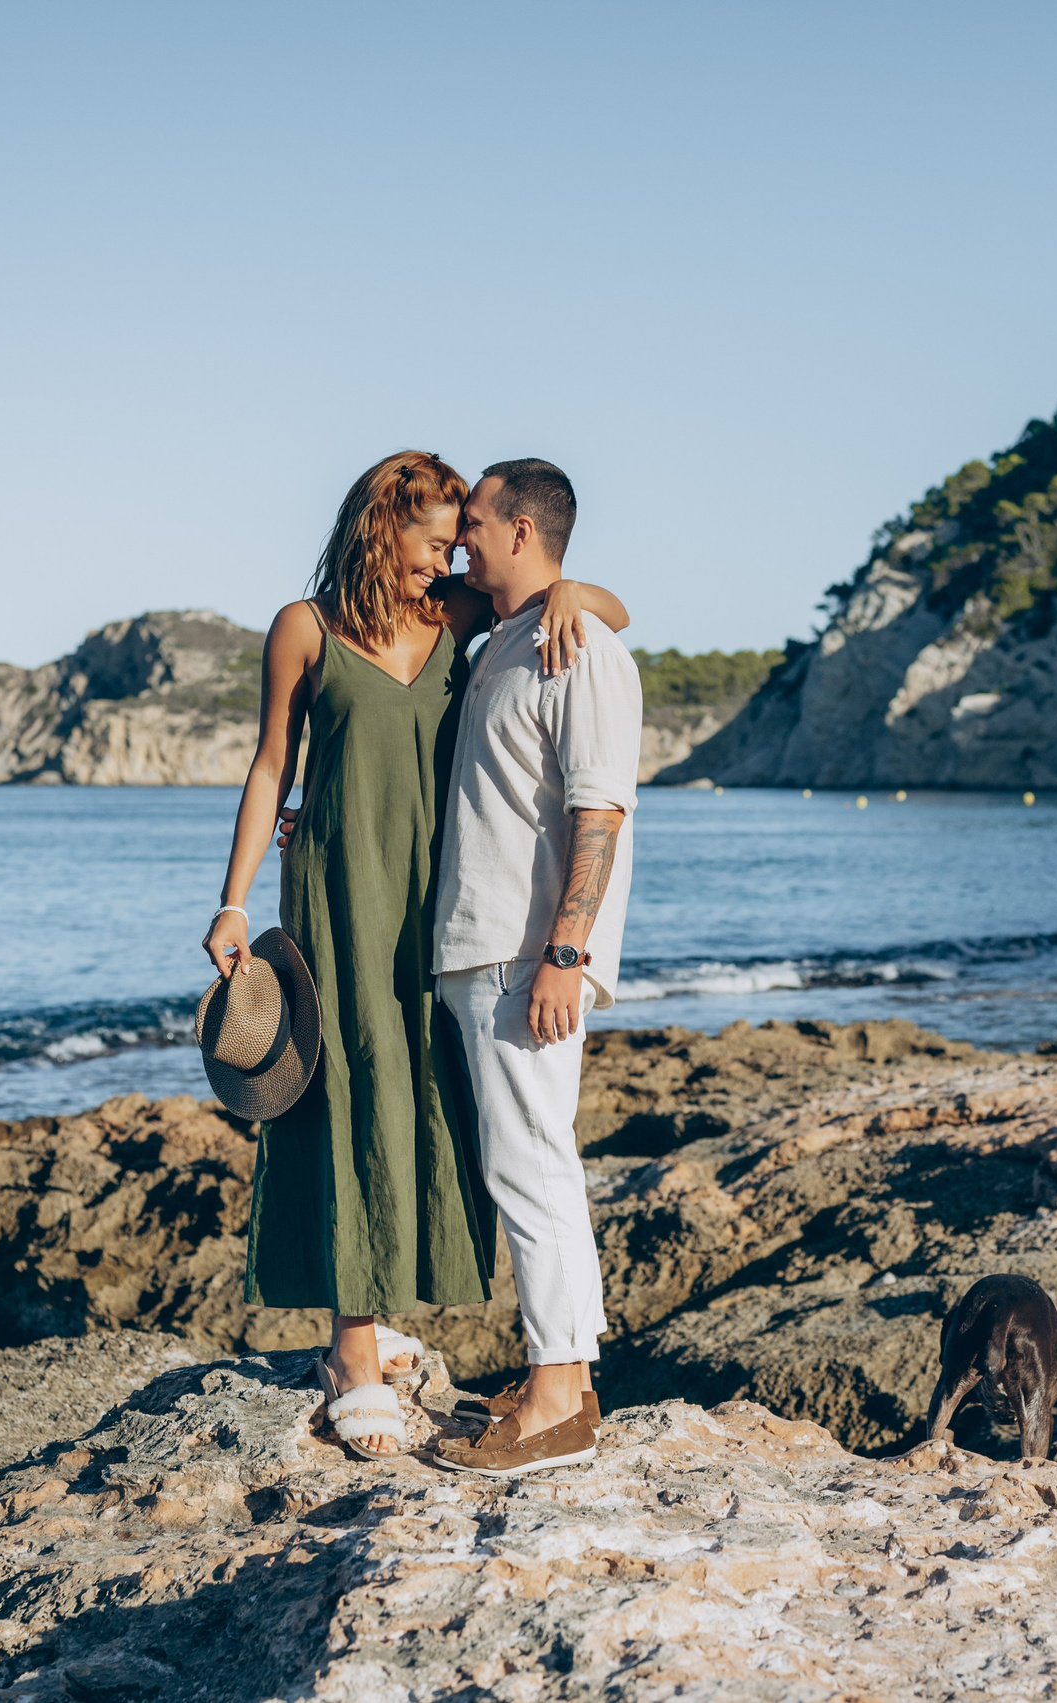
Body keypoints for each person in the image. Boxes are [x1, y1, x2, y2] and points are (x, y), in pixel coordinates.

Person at [201, 449, 630, 1458]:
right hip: (340, 897)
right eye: (434, 536)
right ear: (380, 526)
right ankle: (351, 1349)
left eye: (458, 536)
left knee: (426, 1102)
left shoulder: (461, 622)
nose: (447, 555)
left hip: (445, 905)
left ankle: (397, 1310)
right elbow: (272, 765)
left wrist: (568, 586)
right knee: (343, 1098)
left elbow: (606, 613)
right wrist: (231, 899)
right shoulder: (305, 628)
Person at [429, 459, 643, 1478]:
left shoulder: (578, 647)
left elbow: (598, 809)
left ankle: (559, 1399)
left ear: (521, 528)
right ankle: (564, 1374)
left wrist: (567, 952)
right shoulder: (512, 632)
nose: (461, 537)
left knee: (533, 1166)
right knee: (524, 1161)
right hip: (483, 944)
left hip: (528, 953)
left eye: (474, 522)